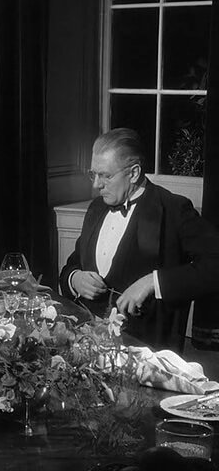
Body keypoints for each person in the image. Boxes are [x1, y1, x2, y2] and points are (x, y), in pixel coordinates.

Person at [59, 128, 219, 352]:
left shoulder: (173, 209)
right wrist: (75, 279)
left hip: (146, 351)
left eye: (106, 176)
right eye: (93, 174)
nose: (96, 184)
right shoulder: (97, 208)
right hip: (87, 345)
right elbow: (72, 265)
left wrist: (152, 282)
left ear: (134, 173)